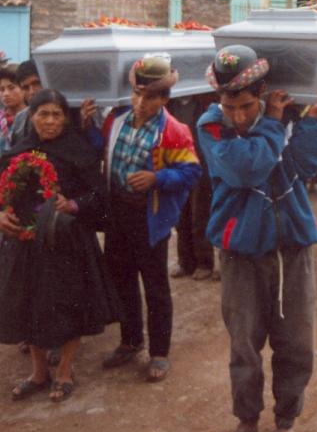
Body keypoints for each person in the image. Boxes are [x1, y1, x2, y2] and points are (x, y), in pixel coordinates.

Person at [197, 45, 317, 432]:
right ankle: (246, 421)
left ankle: (286, 424)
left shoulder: (286, 115)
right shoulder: (210, 125)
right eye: (230, 107)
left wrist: (313, 122)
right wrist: (272, 122)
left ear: (262, 93)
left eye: (246, 106)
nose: (237, 116)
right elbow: (246, 169)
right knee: (244, 345)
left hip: (291, 249)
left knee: (296, 344)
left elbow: (307, 166)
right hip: (241, 254)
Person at [0, 89, 119, 401]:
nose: (50, 121)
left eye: (57, 114)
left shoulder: (79, 152)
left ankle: (64, 371)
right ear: (32, 117)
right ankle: (39, 373)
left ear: (66, 118)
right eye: (43, 114)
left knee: (70, 304)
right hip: (26, 242)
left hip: (68, 241)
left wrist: (73, 204)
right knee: (30, 303)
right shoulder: (18, 152)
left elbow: (98, 195)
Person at [98, 54, 202, 382]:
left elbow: (191, 172)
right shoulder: (115, 121)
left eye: (151, 96)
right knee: (122, 280)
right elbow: (100, 151)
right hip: (117, 214)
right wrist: (87, 125)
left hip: (148, 218)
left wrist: (157, 178)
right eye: (137, 94)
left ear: (165, 98)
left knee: (155, 286)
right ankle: (130, 341)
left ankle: (159, 352)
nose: (141, 102)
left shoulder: (174, 130)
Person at [167, 93, 217, 280]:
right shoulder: (169, 104)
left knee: (200, 215)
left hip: (200, 166)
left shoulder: (204, 101)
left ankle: (204, 262)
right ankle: (185, 262)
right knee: (180, 217)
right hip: (177, 165)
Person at [10, 60, 43, 147]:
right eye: (25, 87)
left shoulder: (66, 113)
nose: (32, 92)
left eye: (36, 83)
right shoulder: (20, 119)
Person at [0, 65, 26, 152]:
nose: (6, 94)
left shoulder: (32, 117)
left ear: (23, 89)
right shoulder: (1, 119)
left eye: (11, 88)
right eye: (2, 89)